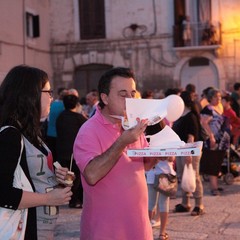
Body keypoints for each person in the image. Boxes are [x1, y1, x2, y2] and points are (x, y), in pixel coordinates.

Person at [73, 67, 158, 240]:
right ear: (104, 98)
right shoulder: (88, 130)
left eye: (132, 93)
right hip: (105, 230)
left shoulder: (133, 125)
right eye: (122, 94)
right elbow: (92, 174)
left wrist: (160, 152)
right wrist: (122, 142)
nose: (130, 99)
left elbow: (145, 166)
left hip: (139, 226)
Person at [0, 65, 72, 239]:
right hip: (21, 229)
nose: (51, 98)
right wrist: (48, 199)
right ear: (30, 94)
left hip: (40, 227)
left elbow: (27, 176)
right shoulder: (10, 135)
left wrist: (57, 176)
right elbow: (2, 192)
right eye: (48, 92)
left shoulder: (30, 132)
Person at [172, 91, 205, 215]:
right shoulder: (181, 115)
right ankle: (185, 203)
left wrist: (188, 153)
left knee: (194, 176)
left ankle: (199, 204)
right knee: (182, 176)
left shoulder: (190, 116)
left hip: (190, 150)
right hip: (182, 149)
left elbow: (191, 136)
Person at [56, 93, 87, 208]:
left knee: (67, 178)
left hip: (62, 151)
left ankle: (69, 198)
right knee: (76, 178)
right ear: (77, 104)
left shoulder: (61, 116)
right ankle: (74, 200)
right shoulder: (78, 117)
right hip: (73, 153)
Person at [200, 88, 230, 196]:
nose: (219, 99)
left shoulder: (217, 108)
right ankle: (213, 188)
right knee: (213, 163)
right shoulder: (207, 109)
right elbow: (204, 123)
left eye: (220, 97)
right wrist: (211, 136)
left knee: (217, 163)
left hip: (220, 142)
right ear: (210, 98)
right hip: (214, 141)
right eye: (216, 97)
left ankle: (215, 185)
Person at [46, 87, 68, 161]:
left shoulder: (53, 104)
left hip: (49, 133)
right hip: (59, 135)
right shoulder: (65, 106)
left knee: (53, 156)